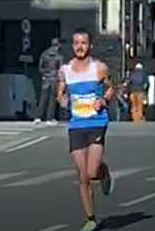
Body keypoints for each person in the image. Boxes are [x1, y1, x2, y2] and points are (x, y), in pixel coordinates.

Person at [58, 29, 114, 231]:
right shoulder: (65, 70)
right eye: (76, 43)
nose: (80, 47)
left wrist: (104, 100)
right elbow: (61, 93)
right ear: (72, 46)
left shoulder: (99, 68)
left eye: (84, 43)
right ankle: (90, 218)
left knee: (92, 172)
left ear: (90, 45)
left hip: (97, 122)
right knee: (82, 175)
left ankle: (104, 172)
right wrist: (63, 100)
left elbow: (110, 88)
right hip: (76, 124)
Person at [36, 38, 64, 125]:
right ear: (58, 45)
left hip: (46, 78)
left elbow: (40, 67)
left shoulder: (44, 54)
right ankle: (50, 118)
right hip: (54, 78)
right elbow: (61, 69)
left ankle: (38, 117)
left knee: (43, 98)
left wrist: (44, 74)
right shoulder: (59, 56)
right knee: (52, 99)